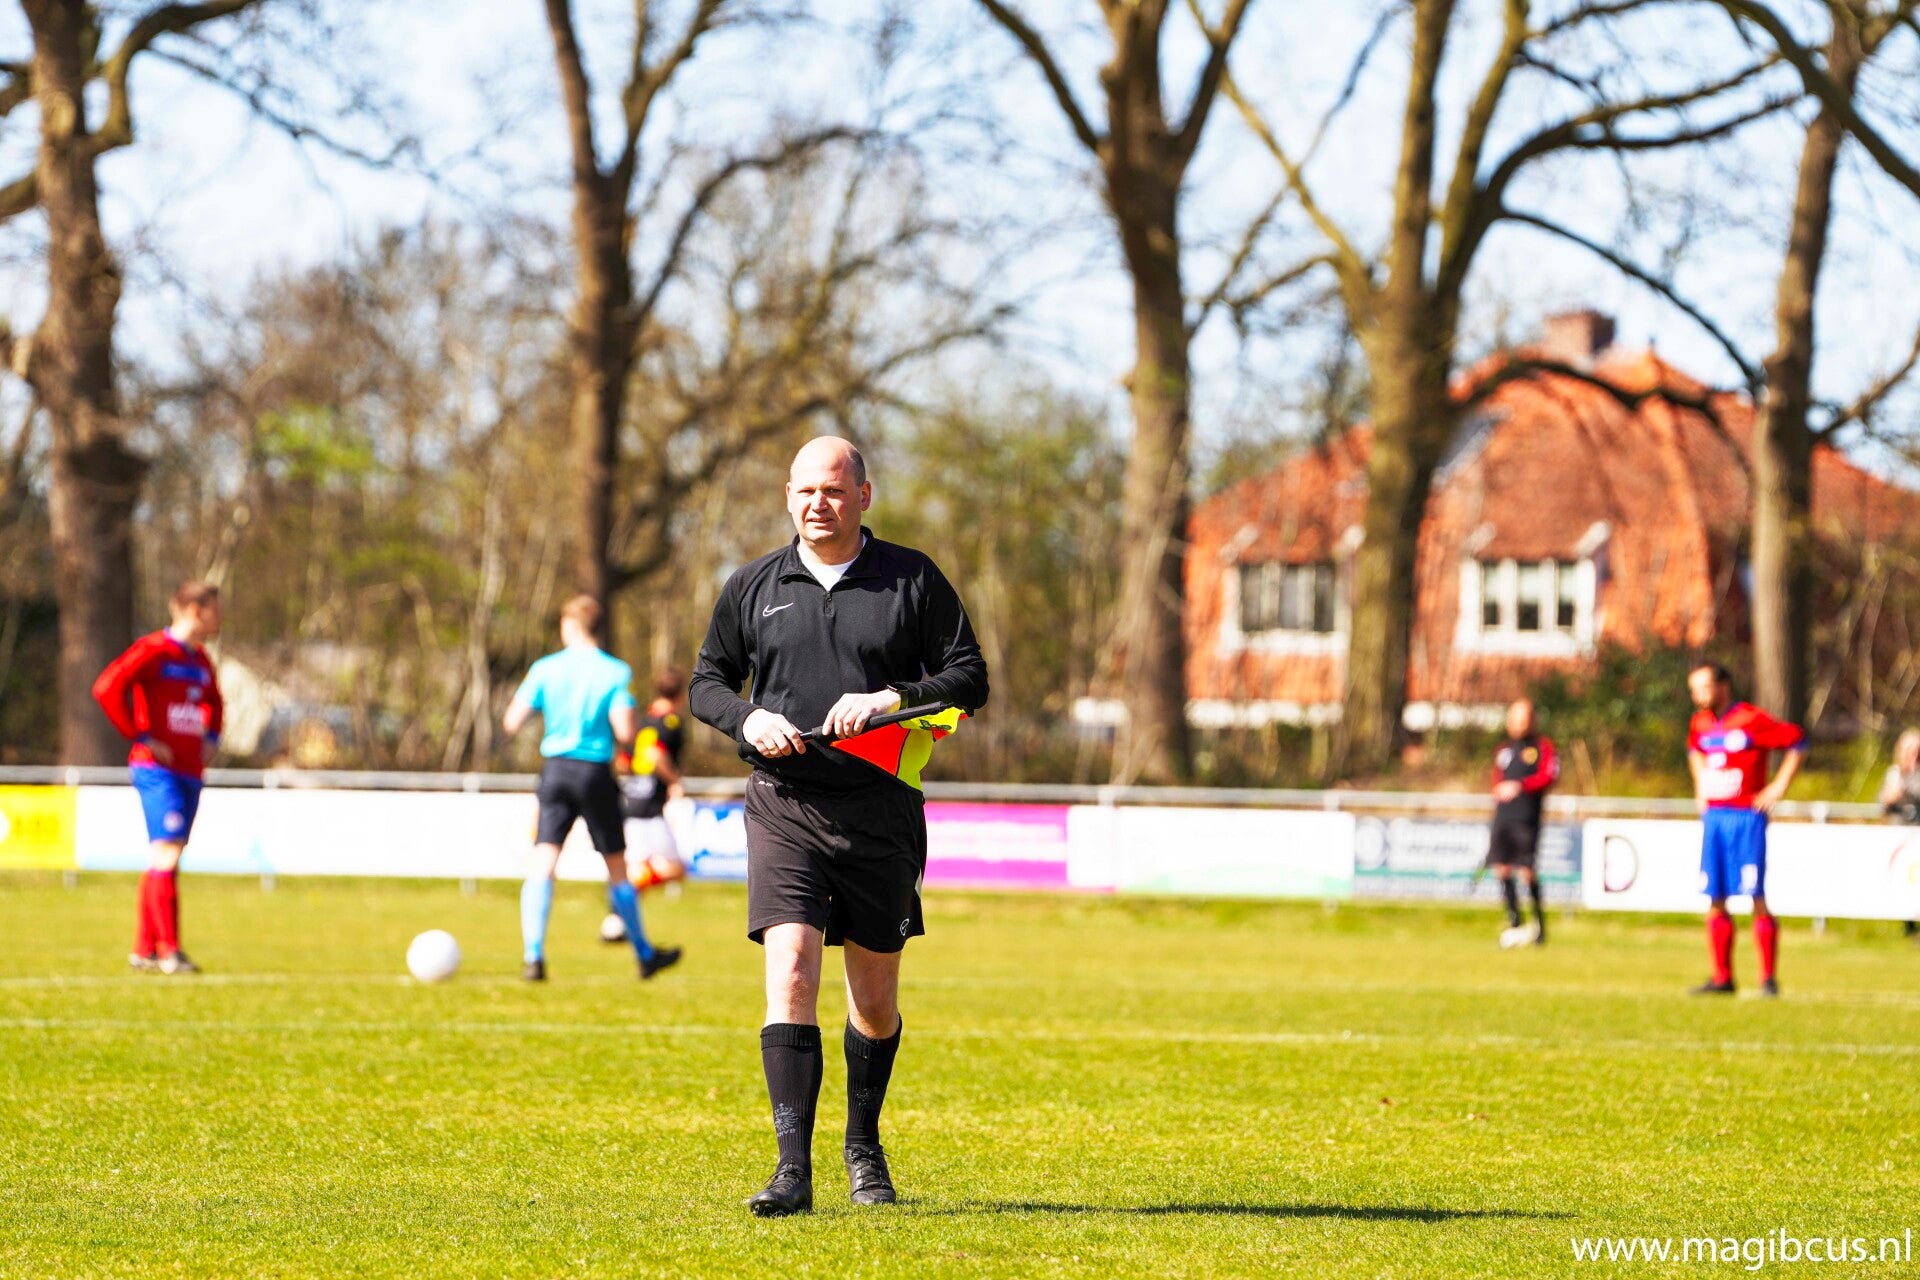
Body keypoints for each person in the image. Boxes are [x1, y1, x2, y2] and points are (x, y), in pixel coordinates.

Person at [690, 436, 988, 1217]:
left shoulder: (912, 578)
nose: (816, 503)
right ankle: (792, 1170)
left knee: (874, 999)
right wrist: (748, 719)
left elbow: (970, 677)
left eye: (831, 489)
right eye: (803, 490)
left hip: (881, 810)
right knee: (791, 968)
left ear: (863, 495)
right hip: (784, 803)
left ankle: (863, 1144)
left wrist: (892, 699)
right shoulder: (753, 584)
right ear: (787, 497)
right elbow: (706, 682)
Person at [503, 595, 681, 984]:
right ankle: (644, 954)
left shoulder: (546, 668)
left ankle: (533, 956)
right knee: (617, 868)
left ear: (569, 625)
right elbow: (625, 731)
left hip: (555, 770)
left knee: (543, 862)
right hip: (594, 772)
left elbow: (512, 721)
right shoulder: (613, 671)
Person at [92, 580, 225, 976]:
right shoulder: (152, 650)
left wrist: (212, 738)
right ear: (195, 610)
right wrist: (140, 735)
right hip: (157, 770)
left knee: (164, 857)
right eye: (215, 609)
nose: (220, 617)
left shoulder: (200, 659)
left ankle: (145, 950)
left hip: (190, 769)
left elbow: (216, 703)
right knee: (166, 852)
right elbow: (106, 687)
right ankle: (170, 952)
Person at [1686, 663, 1805, 997]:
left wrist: (1778, 786)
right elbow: (1694, 750)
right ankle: (1722, 978)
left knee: (1756, 895)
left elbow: (1798, 741)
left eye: (1704, 687)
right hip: (1714, 818)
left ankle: (1767, 978)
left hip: (1745, 818)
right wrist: (1699, 785)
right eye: (1693, 689)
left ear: (1723, 686)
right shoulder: (1700, 723)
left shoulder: (1750, 719)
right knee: (1715, 898)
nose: (1698, 695)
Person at [599, 668, 692, 944]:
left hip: (631, 804)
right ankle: (618, 908)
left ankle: (616, 919)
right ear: (680, 694)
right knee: (675, 869)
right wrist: (673, 781)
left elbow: (622, 761)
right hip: (650, 810)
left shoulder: (642, 721)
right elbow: (655, 754)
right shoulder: (670, 723)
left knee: (636, 868)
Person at [1488, 698, 1558, 948]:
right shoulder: (1504, 750)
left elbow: (1550, 775)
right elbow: (1497, 779)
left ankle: (1539, 926)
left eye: (1522, 719)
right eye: (1514, 719)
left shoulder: (1543, 747)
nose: (1517, 724)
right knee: (1501, 869)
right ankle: (1515, 922)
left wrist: (1521, 786)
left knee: (1527, 872)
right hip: (1503, 817)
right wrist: (1498, 790)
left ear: (1532, 721)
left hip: (1526, 818)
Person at [1877, 728, 1920, 939]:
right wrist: (1888, 798)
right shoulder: (1893, 773)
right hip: (1899, 833)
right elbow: (1881, 803)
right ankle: (1908, 925)